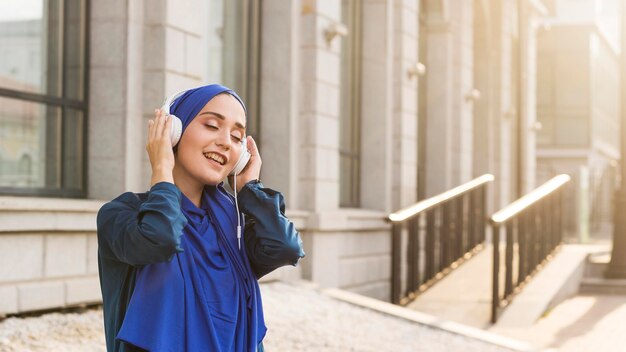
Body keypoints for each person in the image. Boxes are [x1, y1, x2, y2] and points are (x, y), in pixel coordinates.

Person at [96, 84, 305, 352]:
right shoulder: (121, 214)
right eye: (211, 125)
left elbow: (285, 247)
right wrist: (162, 168)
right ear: (173, 131)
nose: (225, 141)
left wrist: (250, 188)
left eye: (237, 136)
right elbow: (159, 238)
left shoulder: (232, 228)